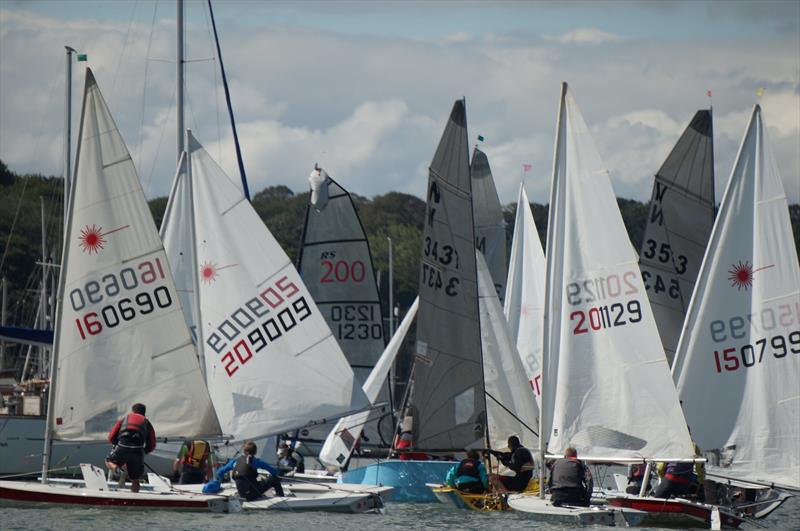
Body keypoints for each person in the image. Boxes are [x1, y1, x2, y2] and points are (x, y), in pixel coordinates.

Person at [106, 403, 156, 493]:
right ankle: (134, 497)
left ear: (133, 411)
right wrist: (144, 452)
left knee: (108, 461)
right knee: (135, 479)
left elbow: (111, 437)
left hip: (123, 447)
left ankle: (118, 471)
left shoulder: (124, 419)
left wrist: (117, 444)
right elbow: (152, 444)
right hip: (138, 451)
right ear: (144, 413)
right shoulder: (147, 423)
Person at [216, 441, 285, 500]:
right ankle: (281, 497)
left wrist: (220, 482)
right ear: (255, 452)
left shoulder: (234, 461)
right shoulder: (256, 461)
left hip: (241, 494)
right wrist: (279, 473)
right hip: (252, 495)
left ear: (244, 451)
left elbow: (219, 472)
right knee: (274, 479)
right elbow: (274, 472)